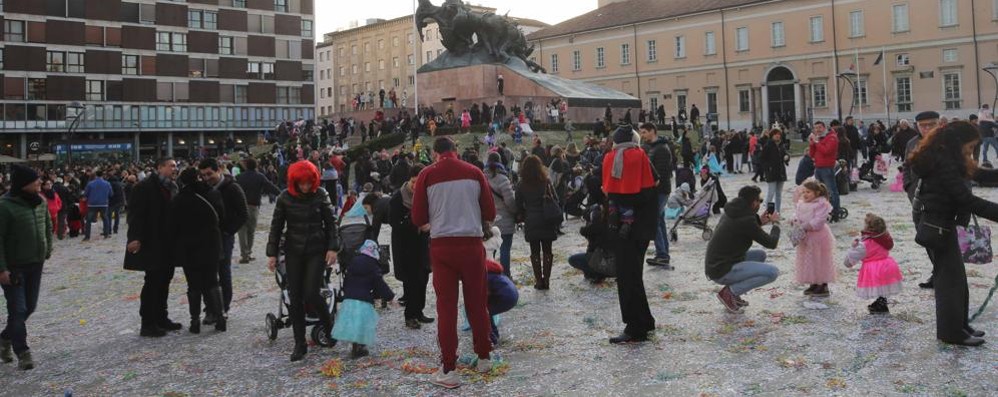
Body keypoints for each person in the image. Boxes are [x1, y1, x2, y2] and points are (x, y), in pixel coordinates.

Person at [411, 137, 496, 389]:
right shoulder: (474, 172)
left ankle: (448, 368)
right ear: (455, 151)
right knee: (478, 304)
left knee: (446, 308)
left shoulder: (426, 175)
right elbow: (490, 213)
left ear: (435, 153)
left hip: (442, 246)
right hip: (471, 244)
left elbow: (417, 217)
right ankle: (484, 357)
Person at [908, 120, 998, 346]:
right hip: (936, 223)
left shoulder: (948, 157)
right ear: (958, 143)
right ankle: (951, 333)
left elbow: (976, 173)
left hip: (941, 220)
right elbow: (966, 199)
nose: (971, 151)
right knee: (949, 280)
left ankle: (960, 325)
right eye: (969, 146)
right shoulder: (942, 161)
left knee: (956, 278)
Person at [266, 161, 340, 361]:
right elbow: (276, 227)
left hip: (317, 249)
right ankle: (300, 343)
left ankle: (329, 326)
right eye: (302, 183)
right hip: (294, 251)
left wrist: (333, 247)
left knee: (311, 292)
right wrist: (272, 253)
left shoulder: (321, 194)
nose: (306, 186)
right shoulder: (284, 198)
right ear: (294, 182)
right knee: (295, 295)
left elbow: (332, 222)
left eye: (309, 182)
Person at [602, 127, 658, 343]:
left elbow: (612, 191)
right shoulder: (643, 156)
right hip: (643, 227)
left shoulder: (614, 158)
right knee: (636, 276)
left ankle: (635, 328)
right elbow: (655, 184)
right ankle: (645, 320)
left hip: (626, 230)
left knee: (626, 278)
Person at [0, 165, 52, 370]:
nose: (40, 183)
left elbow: (47, 225)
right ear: (23, 184)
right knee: (18, 309)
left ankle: (4, 338)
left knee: (29, 307)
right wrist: (2, 268)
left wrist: (48, 247)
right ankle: (22, 351)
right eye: (36, 180)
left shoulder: (41, 202)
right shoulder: (5, 206)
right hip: (14, 266)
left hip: (35, 263)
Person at [125, 158, 181, 338]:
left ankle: (161, 317)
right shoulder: (144, 187)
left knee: (165, 279)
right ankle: (148, 323)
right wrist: (134, 238)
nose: (174, 169)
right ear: (160, 167)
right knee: (153, 281)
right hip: (151, 241)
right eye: (171, 165)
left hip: (168, 242)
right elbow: (135, 215)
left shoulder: (173, 186)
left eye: (175, 166)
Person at [705, 186, 781, 313]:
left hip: (717, 264)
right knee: (772, 272)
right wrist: (776, 224)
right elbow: (771, 243)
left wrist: (759, 221)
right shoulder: (746, 220)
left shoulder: (732, 211)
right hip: (721, 269)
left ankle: (734, 293)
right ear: (753, 202)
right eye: (759, 201)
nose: (760, 204)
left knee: (760, 255)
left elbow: (741, 228)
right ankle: (730, 293)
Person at [169, 168, 227, 334]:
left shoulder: (178, 200)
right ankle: (220, 318)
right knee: (212, 282)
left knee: (193, 285)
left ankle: (195, 321)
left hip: (189, 247)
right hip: (211, 244)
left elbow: (172, 226)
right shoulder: (212, 194)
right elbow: (222, 218)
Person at [199, 158, 248, 323]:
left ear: (218, 170)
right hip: (206, 237)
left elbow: (243, 214)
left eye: (209, 174)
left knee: (223, 271)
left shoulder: (232, 188)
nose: (206, 178)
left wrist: (228, 230)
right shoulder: (203, 188)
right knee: (207, 273)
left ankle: (223, 307)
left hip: (224, 237)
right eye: (203, 175)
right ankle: (210, 308)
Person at [388, 164, 434, 329]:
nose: (416, 186)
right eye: (413, 182)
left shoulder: (426, 195)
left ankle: (419, 311)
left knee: (423, 278)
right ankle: (410, 315)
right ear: (409, 180)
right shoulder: (398, 198)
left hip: (422, 244)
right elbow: (394, 223)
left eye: (419, 182)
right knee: (411, 281)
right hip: (405, 246)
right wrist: (416, 225)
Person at [331, 240, 395, 358]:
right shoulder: (373, 266)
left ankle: (355, 346)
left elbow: (346, 280)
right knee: (362, 325)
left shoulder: (353, 262)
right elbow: (379, 283)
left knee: (352, 323)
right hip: (364, 299)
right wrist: (390, 296)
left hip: (350, 299)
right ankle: (360, 347)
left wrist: (347, 294)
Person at [902, 112, 941, 289]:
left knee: (941, 239)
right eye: (922, 125)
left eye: (930, 124)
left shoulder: (946, 141)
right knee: (925, 236)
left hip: (941, 200)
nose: (926, 128)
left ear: (937, 124)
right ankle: (937, 271)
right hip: (918, 198)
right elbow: (906, 166)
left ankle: (944, 274)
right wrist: (908, 186)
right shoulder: (912, 143)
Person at [515, 155, 561, 290]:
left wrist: (523, 213)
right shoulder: (546, 181)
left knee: (534, 251)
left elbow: (518, 204)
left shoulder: (521, 184)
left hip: (531, 219)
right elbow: (556, 199)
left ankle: (538, 281)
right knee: (548, 250)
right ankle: (546, 279)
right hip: (547, 218)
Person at [844, 214, 903, 314]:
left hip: (875, 268)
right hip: (888, 265)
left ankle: (880, 306)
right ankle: (881, 302)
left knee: (877, 286)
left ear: (869, 228)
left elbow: (853, 257)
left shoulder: (865, 244)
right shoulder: (884, 238)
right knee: (882, 286)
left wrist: (853, 248)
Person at [638, 123, 673, 268]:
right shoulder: (653, 148)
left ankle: (662, 254)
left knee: (654, 221)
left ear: (653, 131)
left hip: (660, 191)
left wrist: (649, 188)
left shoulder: (662, 149)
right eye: (641, 132)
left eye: (645, 132)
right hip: (658, 191)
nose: (642, 135)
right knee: (660, 221)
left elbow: (661, 175)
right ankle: (663, 253)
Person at [792, 179, 835, 297]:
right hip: (805, 237)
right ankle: (813, 282)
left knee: (819, 260)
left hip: (818, 237)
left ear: (817, 193)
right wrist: (795, 221)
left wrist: (805, 226)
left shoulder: (822, 204)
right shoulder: (801, 203)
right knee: (809, 260)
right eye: (804, 192)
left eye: (808, 192)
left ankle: (822, 284)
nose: (805, 194)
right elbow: (797, 214)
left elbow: (819, 221)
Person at [235, 158, 282, 264]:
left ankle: (244, 255)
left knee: (242, 231)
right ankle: (249, 252)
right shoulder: (259, 176)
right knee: (251, 231)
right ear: (256, 165)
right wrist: (282, 194)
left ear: (246, 166)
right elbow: (271, 187)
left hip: (240, 206)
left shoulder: (239, 177)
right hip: (253, 206)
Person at [485, 153, 517, 277]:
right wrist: (515, 212)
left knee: (489, 249)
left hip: (487, 221)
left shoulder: (481, 178)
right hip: (505, 219)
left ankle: (489, 274)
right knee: (505, 249)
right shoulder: (503, 179)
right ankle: (505, 275)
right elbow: (510, 201)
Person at [568, 202, 615, 283]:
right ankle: (596, 272)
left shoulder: (596, 226)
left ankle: (596, 273)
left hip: (604, 262)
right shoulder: (614, 222)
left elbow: (583, 231)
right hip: (616, 262)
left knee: (573, 259)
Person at [809, 121, 840, 221]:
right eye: (815, 128)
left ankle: (835, 212)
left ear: (824, 128)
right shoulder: (819, 138)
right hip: (818, 167)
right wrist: (812, 144)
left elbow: (826, 151)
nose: (817, 130)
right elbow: (812, 154)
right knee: (820, 192)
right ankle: (823, 211)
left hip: (827, 167)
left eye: (819, 128)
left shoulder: (832, 137)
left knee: (831, 190)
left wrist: (817, 142)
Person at [484, 258, 518, 346]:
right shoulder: (490, 268)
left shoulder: (483, 274)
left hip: (506, 298)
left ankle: (492, 340)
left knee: (482, 312)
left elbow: (485, 293)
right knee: (486, 310)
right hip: (513, 294)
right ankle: (494, 335)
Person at [760, 129, 789, 213]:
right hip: (771, 172)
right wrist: (768, 168)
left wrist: (787, 157)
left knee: (779, 194)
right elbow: (762, 159)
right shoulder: (768, 145)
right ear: (772, 136)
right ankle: (768, 213)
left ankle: (777, 212)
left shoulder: (781, 145)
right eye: (775, 134)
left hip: (781, 172)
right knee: (771, 192)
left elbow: (785, 154)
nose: (777, 136)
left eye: (779, 134)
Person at [83, 169, 113, 241]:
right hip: (103, 204)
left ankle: (87, 236)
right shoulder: (107, 183)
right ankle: (106, 234)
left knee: (89, 220)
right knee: (105, 218)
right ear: (102, 175)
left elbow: (85, 194)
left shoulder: (90, 183)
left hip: (92, 204)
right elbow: (111, 194)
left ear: (96, 175)